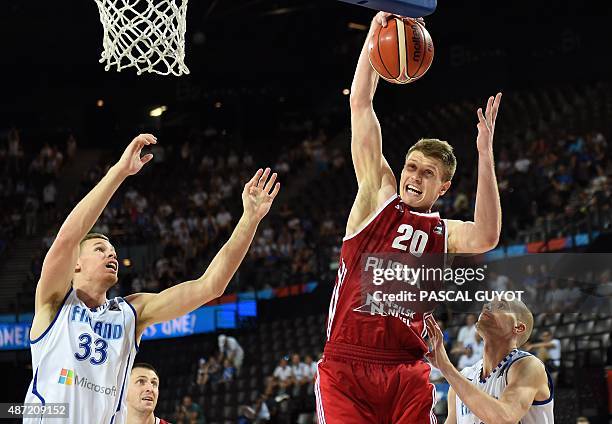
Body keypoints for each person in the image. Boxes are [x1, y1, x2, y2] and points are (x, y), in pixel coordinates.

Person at [315, 11, 503, 423]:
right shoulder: (376, 194)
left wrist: (486, 157)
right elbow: (361, 103)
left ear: (443, 188)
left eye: (427, 173)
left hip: (406, 367)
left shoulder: (443, 232)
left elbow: (487, 235)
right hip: (348, 364)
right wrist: (374, 35)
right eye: (412, 166)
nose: (414, 176)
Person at [23, 134, 280, 423]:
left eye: (114, 251)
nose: (112, 255)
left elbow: (210, 286)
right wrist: (119, 171)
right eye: (100, 249)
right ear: (76, 265)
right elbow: (68, 238)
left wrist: (249, 220)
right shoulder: (54, 302)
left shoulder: (132, 313)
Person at [425, 300, 554, 423]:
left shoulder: (529, 366)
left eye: (501, 306)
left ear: (518, 327)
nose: (487, 306)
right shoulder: (464, 377)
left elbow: (505, 418)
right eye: (488, 304)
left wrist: (446, 367)